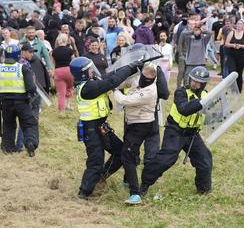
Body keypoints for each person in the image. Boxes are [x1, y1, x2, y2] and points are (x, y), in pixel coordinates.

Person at [70, 56, 146, 200]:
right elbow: (112, 81)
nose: (93, 70)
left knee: (120, 152)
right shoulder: (88, 88)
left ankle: (101, 177)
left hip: (100, 127)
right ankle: (84, 193)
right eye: (90, 69)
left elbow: (111, 75)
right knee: (95, 162)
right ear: (84, 73)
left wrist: (130, 66)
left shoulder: (92, 82)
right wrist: (130, 68)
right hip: (91, 130)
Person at [140, 66, 212, 197]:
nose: (194, 83)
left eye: (198, 81)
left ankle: (204, 190)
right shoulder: (181, 92)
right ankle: (144, 184)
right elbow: (184, 109)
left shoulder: (206, 95)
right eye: (193, 80)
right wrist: (201, 102)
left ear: (204, 84)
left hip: (192, 134)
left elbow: (210, 115)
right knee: (167, 159)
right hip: (175, 131)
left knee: (205, 159)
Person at [113, 63, 158, 205]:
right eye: (143, 76)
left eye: (148, 77)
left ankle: (135, 193)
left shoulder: (150, 90)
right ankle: (128, 181)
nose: (143, 79)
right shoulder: (139, 78)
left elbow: (125, 100)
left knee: (127, 156)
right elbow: (127, 82)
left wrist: (114, 89)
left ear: (154, 77)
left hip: (142, 126)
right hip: (133, 123)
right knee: (131, 153)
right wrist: (116, 82)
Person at [0, 45, 38, 157]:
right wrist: (32, 98)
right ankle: (30, 142)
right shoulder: (22, 68)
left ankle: (8, 148)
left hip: (5, 103)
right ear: (19, 55)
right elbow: (31, 88)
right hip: (22, 102)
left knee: (8, 125)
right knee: (29, 124)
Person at [225, 20, 244, 93]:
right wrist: (233, 45)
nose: (239, 25)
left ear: (243, 26)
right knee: (232, 72)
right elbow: (226, 43)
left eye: (241, 24)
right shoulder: (231, 33)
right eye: (238, 24)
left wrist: (240, 46)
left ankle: (238, 91)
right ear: (236, 25)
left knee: (239, 73)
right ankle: (233, 89)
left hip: (241, 56)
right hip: (232, 55)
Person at [52, 33, 74, 113]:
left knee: (61, 93)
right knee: (70, 87)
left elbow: (53, 63)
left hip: (58, 71)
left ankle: (61, 110)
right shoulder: (69, 50)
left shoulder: (54, 51)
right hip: (69, 70)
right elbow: (73, 61)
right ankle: (68, 105)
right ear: (66, 40)